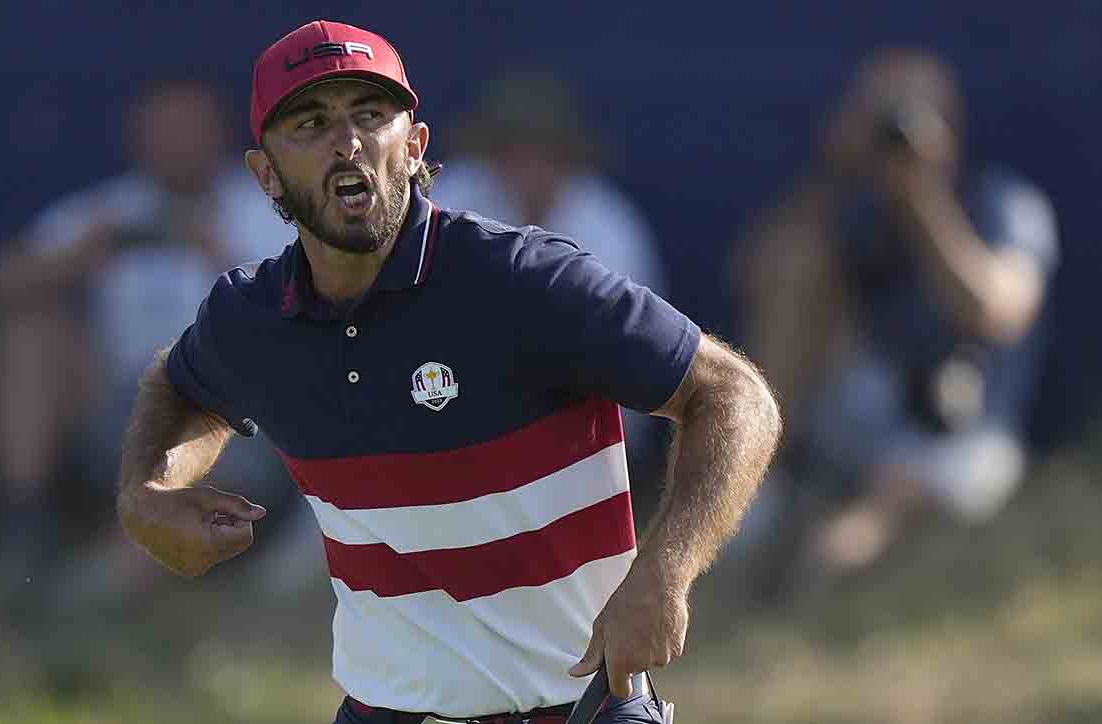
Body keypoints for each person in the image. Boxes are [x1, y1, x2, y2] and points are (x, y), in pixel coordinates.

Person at [116, 20, 781, 724]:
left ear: (414, 146)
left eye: (369, 116)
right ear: (265, 173)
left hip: (580, 708)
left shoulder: (521, 280)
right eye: (310, 123)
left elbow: (735, 396)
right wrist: (147, 494)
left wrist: (666, 569)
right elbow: (182, 385)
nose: (347, 142)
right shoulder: (254, 315)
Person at [732, 49, 1057, 592]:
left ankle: (841, 546)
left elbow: (996, 311)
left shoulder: (1001, 200)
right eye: (880, 115)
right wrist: (836, 173)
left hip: (960, 425)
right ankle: (768, 482)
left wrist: (922, 199)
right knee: (799, 269)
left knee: (906, 485)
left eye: (910, 113)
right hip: (861, 412)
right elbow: (757, 272)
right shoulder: (844, 206)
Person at [0, 76, 291, 586]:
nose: (173, 143)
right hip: (118, 407)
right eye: (158, 129)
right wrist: (73, 261)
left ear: (222, 133)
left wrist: (218, 255)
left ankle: (98, 585)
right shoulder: (107, 211)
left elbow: (319, 324)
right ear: (134, 138)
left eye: (187, 128)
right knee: (29, 330)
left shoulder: (270, 208)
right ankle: (24, 523)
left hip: (232, 417)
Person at [432, 70, 672, 521]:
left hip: (588, 434)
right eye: (513, 149)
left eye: (541, 151)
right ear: (493, 153)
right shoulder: (449, 201)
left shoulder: (611, 227)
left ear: (565, 156)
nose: (527, 165)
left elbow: (629, 364)